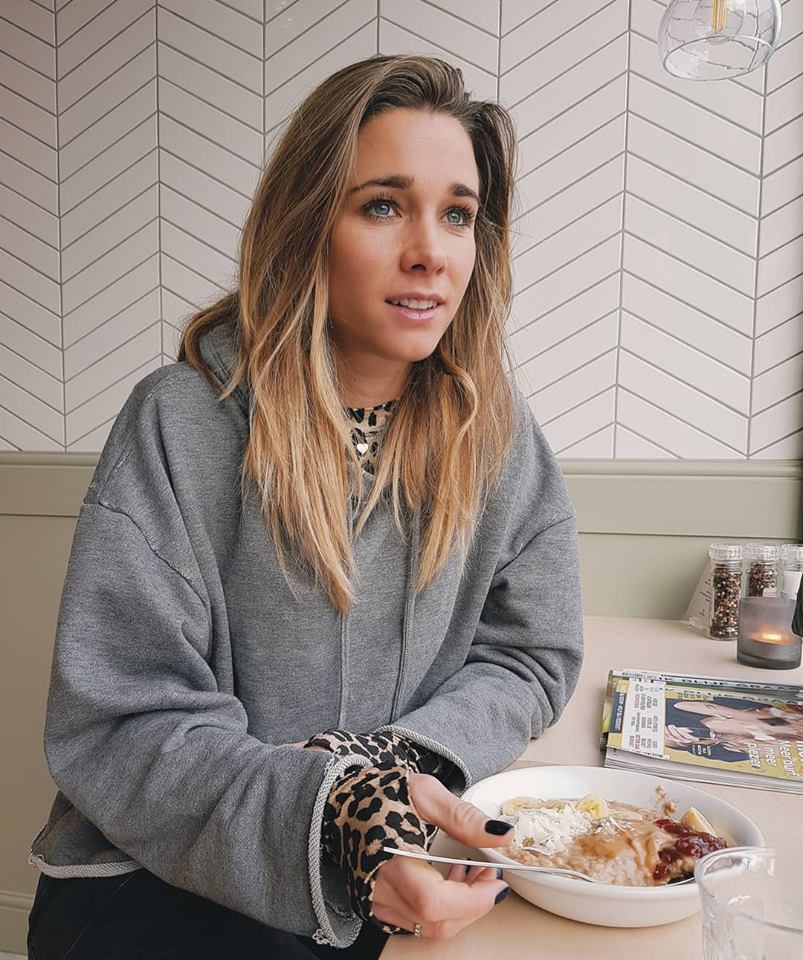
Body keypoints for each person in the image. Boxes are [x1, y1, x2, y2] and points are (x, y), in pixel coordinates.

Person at [25, 55, 584, 959]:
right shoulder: (180, 419)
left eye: (457, 214)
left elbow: (530, 655)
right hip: (156, 885)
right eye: (382, 206)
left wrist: (394, 769)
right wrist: (332, 810)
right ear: (306, 223)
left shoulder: (498, 435)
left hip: (389, 872)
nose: (429, 252)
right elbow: (118, 723)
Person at [663, 697, 803, 761]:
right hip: (664, 707)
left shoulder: (744, 751)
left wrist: (677, 743)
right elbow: (679, 705)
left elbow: (670, 742)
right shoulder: (758, 707)